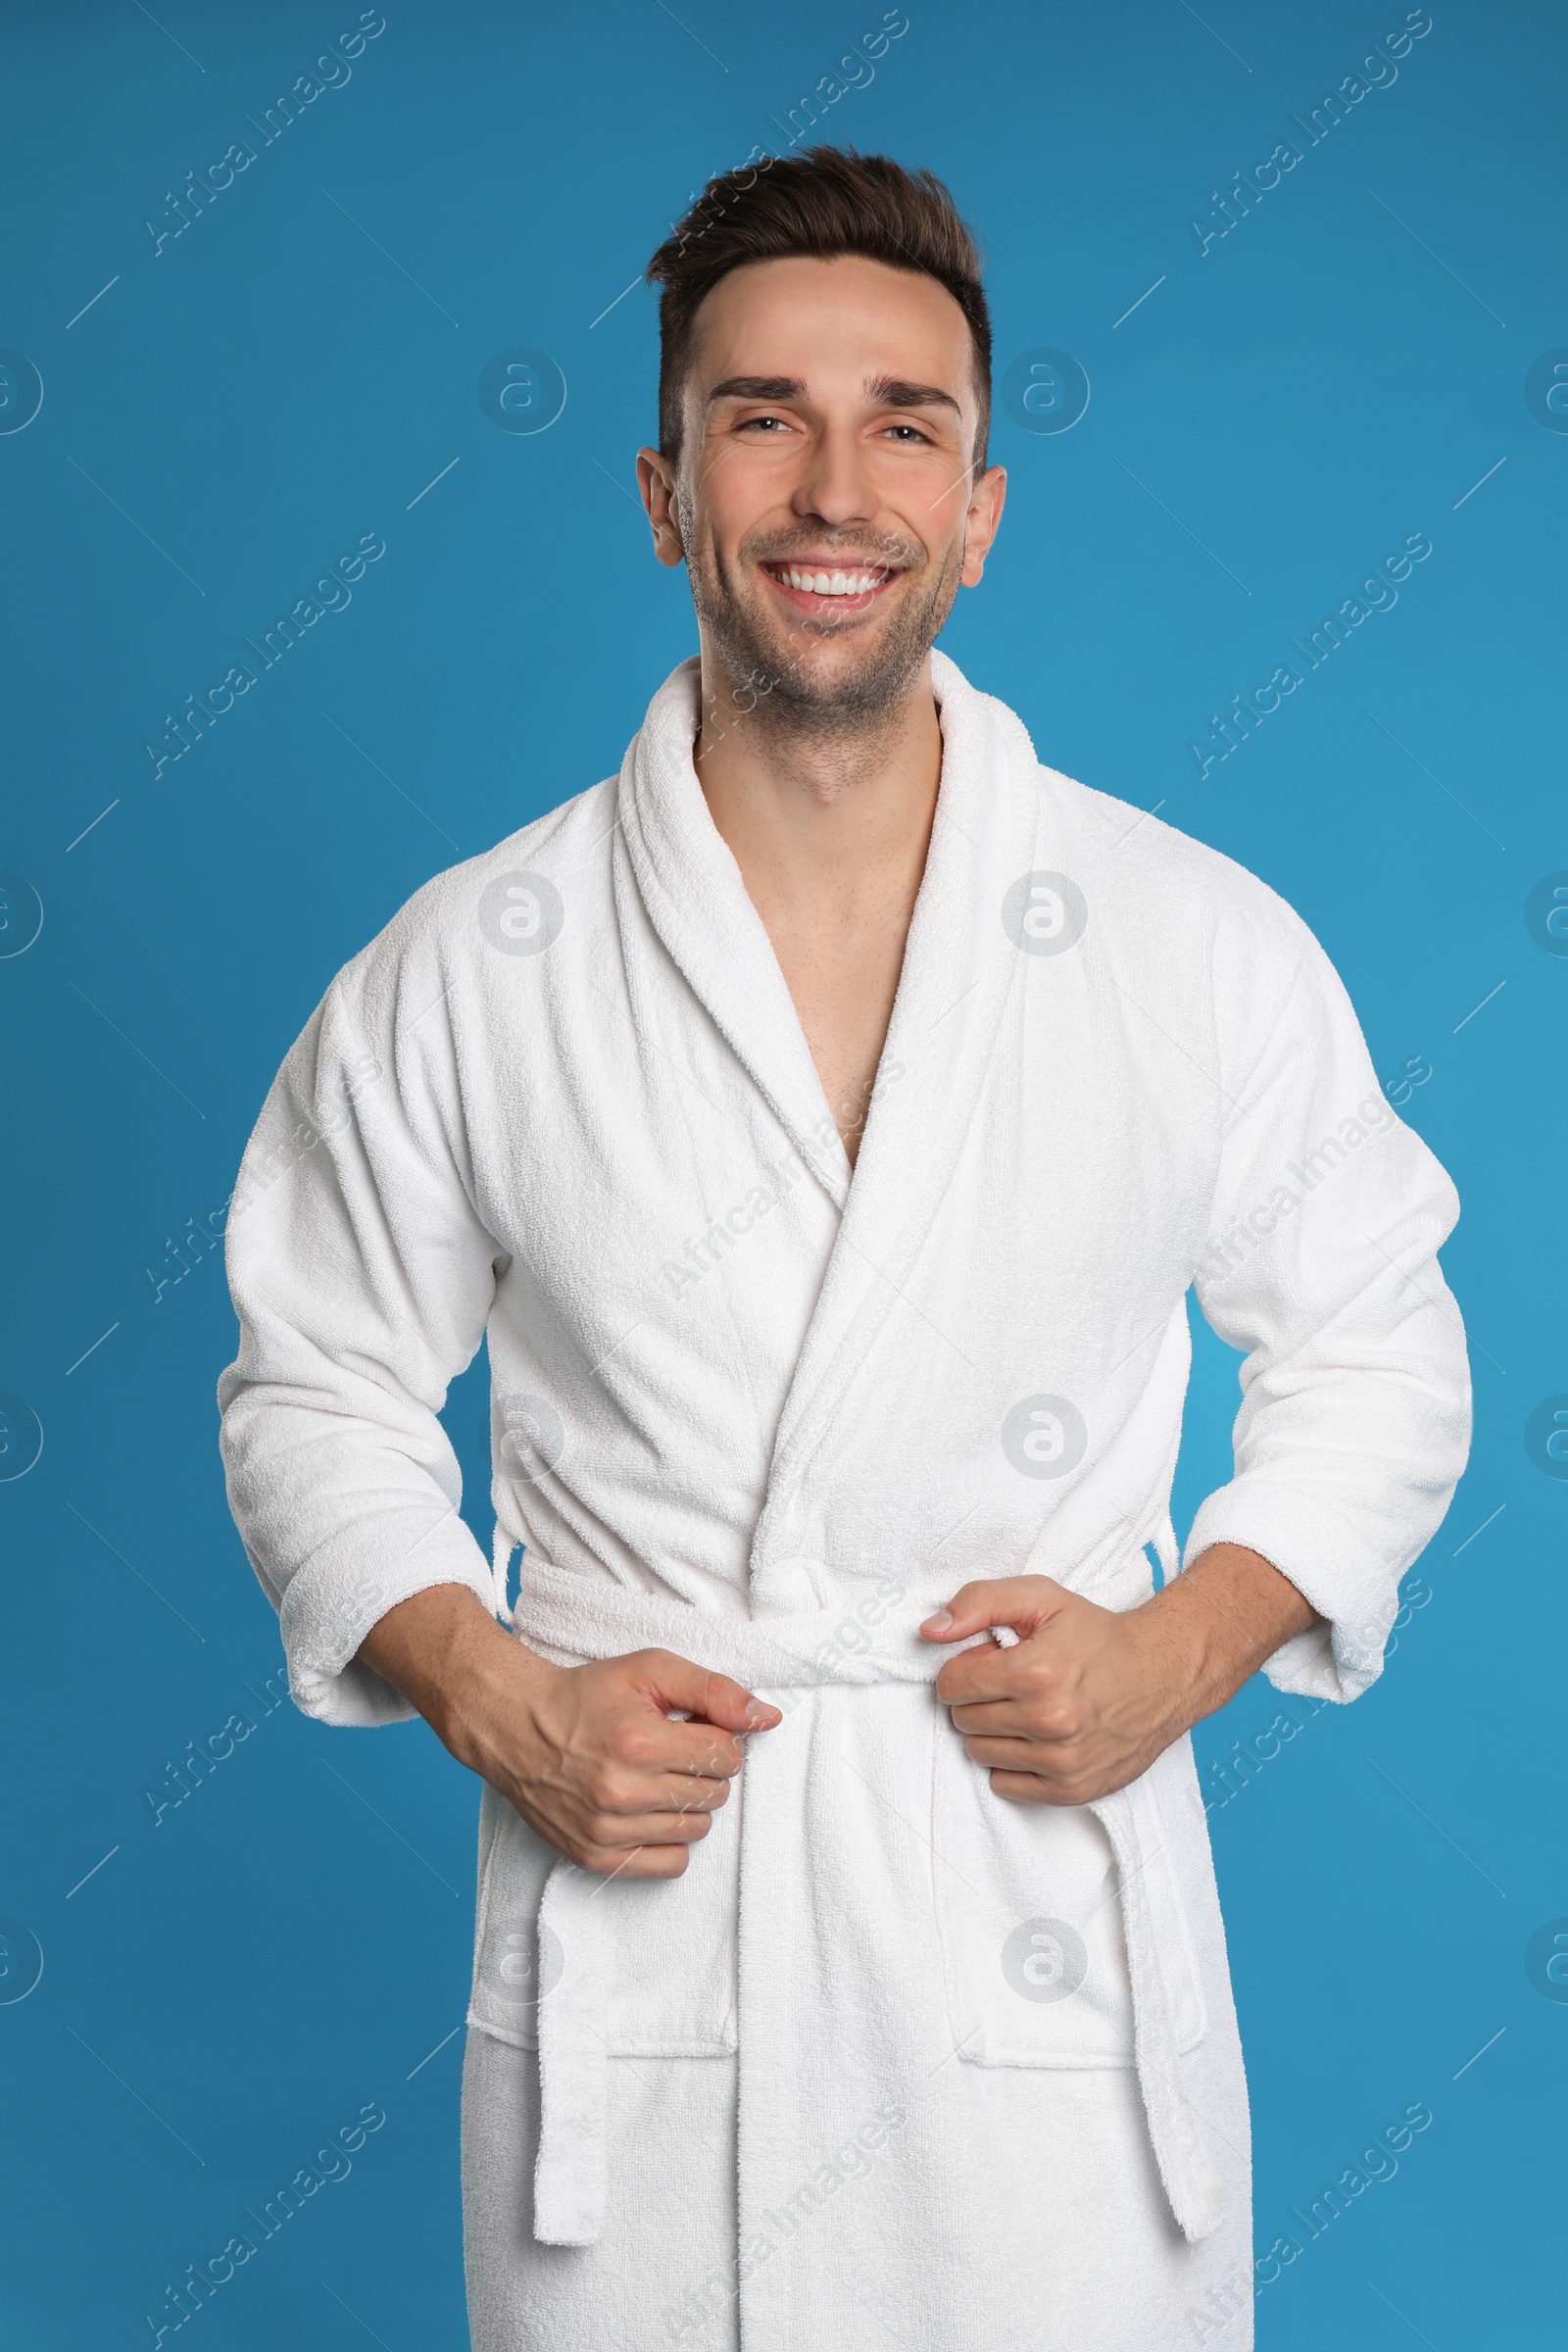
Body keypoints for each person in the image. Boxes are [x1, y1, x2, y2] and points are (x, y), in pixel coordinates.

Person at [217, 147, 1471, 2352]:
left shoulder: (1185, 941)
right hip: (654, 1935)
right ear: (661, 487)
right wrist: (500, 1697)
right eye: (761, 414)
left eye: (903, 422)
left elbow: (1377, 1350)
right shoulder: (470, 967)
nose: (833, 485)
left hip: (1029, 1955)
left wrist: (1174, 1648)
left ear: (977, 510)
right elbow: (312, 1384)